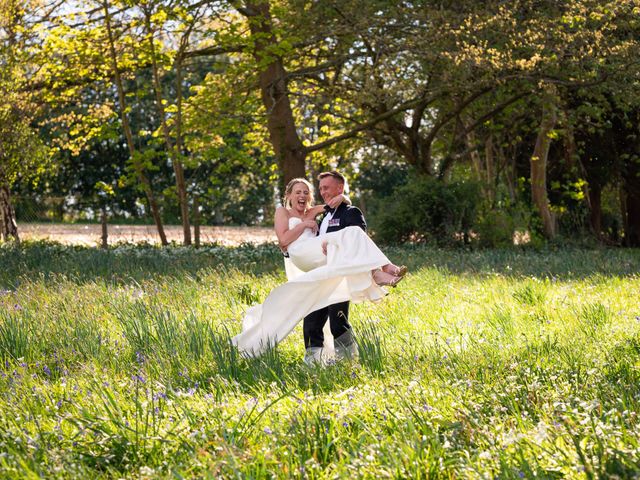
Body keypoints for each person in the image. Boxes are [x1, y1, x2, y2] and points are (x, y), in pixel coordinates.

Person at [231, 174, 406, 360]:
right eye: (298, 192)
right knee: (350, 235)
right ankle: (379, 271)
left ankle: (380, 271)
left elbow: (339, 202)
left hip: (317, 258)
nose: (302, 195)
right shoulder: (283, 211)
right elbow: (283, 240)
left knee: (352, 234)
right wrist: (305, 224)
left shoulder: (313, 211)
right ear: (289, 195)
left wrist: (343, 198)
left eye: (306, 192)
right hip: (300, 252)